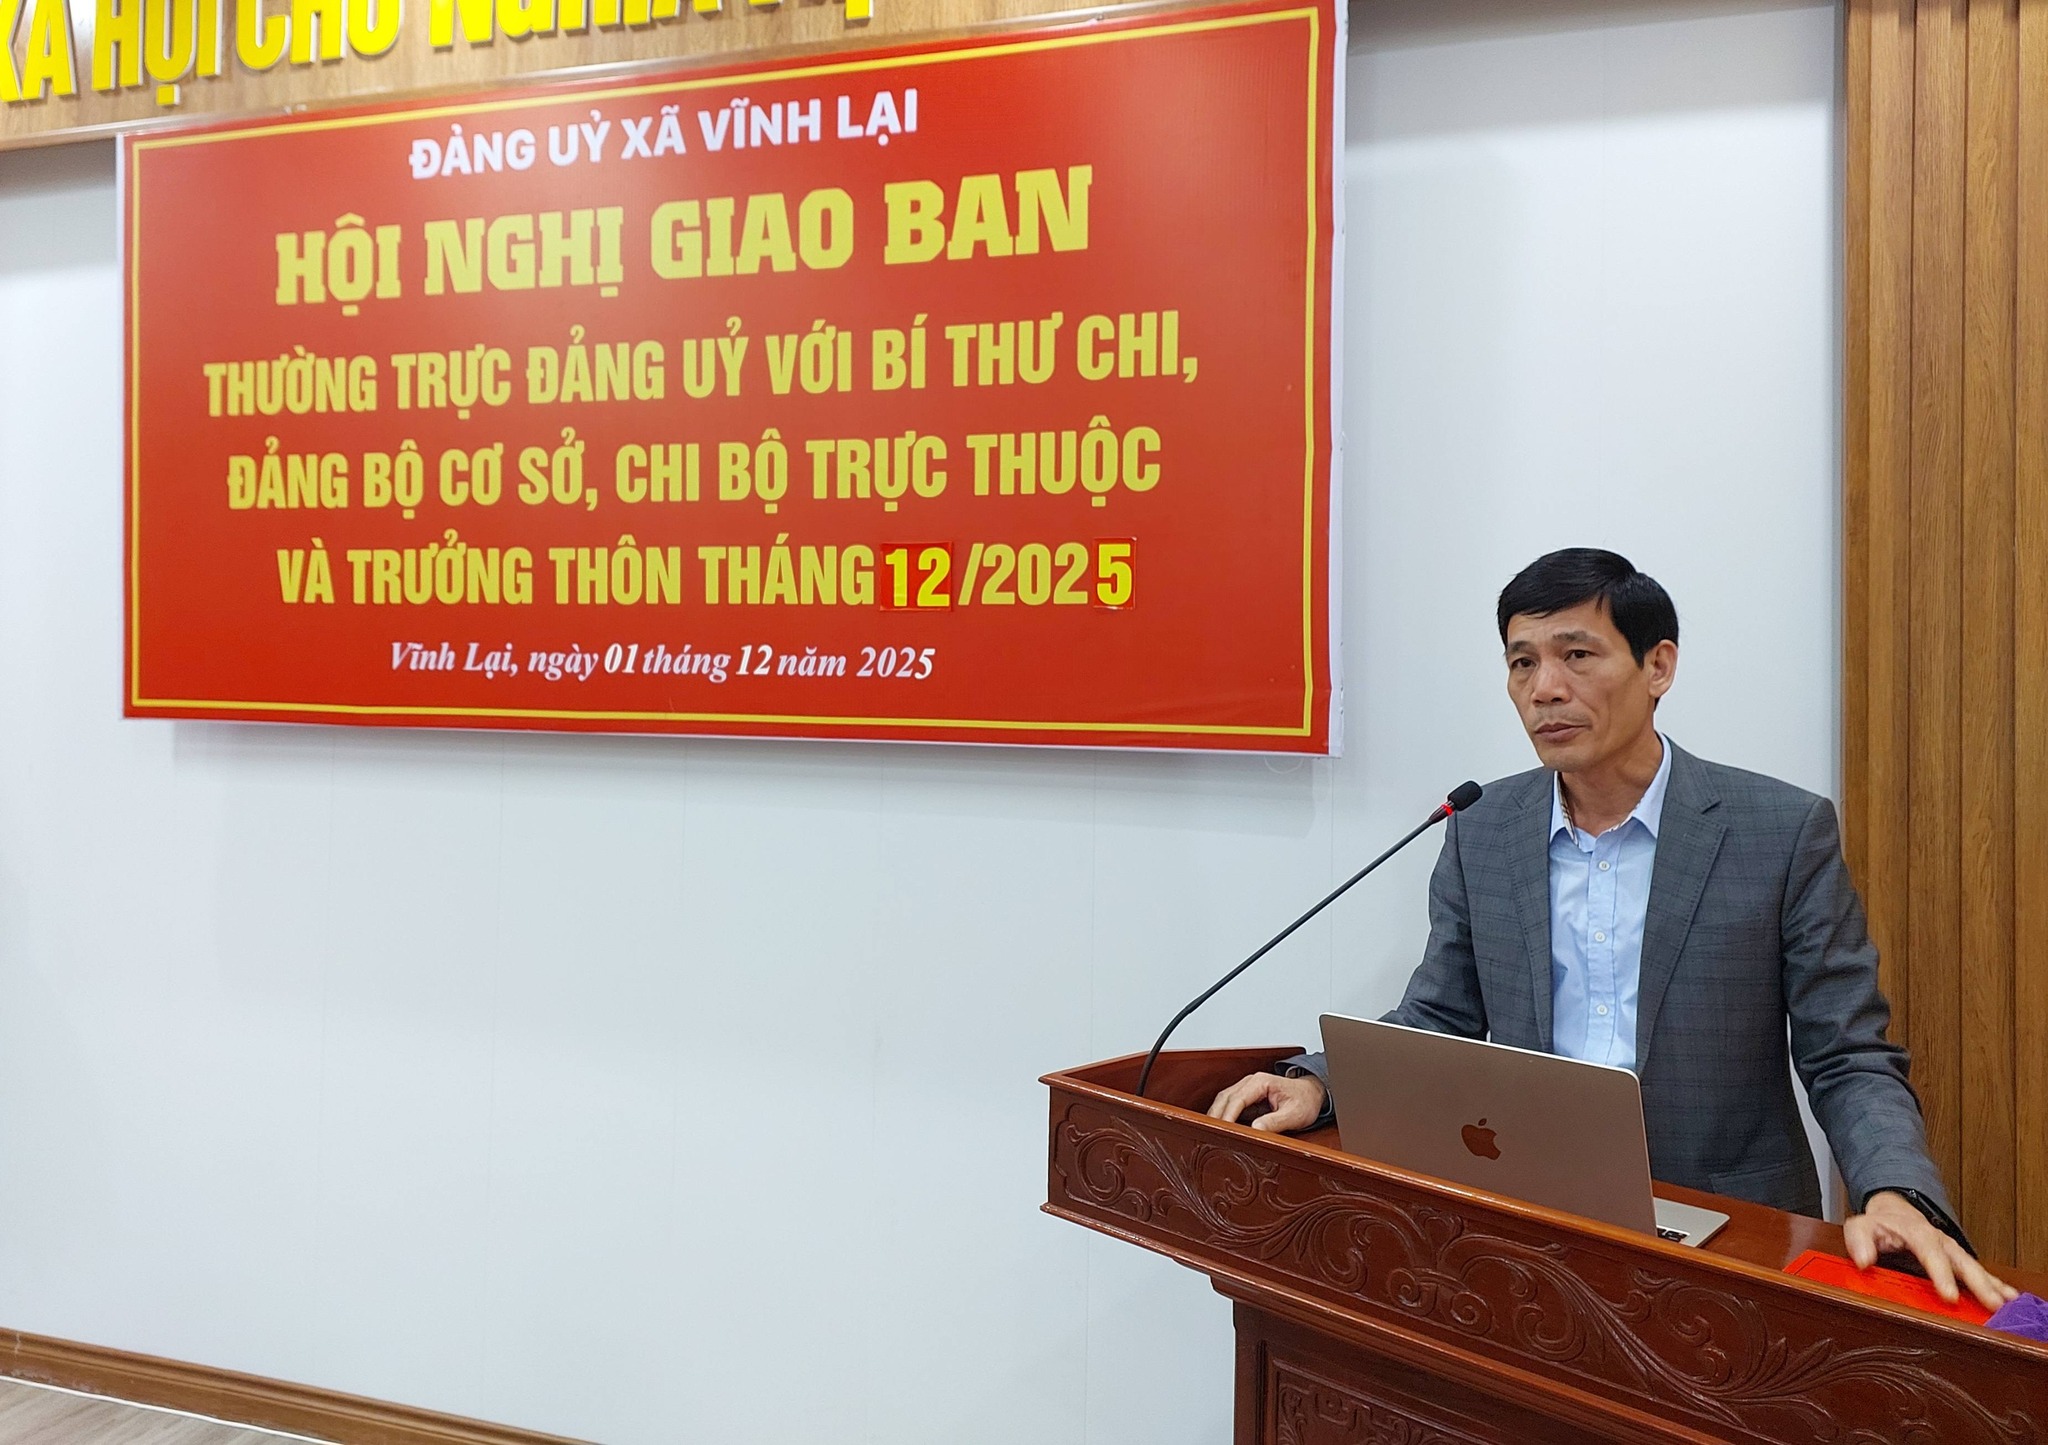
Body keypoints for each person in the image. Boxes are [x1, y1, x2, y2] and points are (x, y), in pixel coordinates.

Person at [1207, 548, 2016, 1311]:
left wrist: (1896, 1191)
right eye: (1522, 663)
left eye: (1577, 655)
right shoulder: (1483, 827)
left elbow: (1847, 1053)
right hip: (1532, 1221)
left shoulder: (1779, 831)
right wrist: (1321, 1083)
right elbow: (1439, 1016)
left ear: (1657, 666)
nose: (1545, 689)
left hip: (1727, 1233)